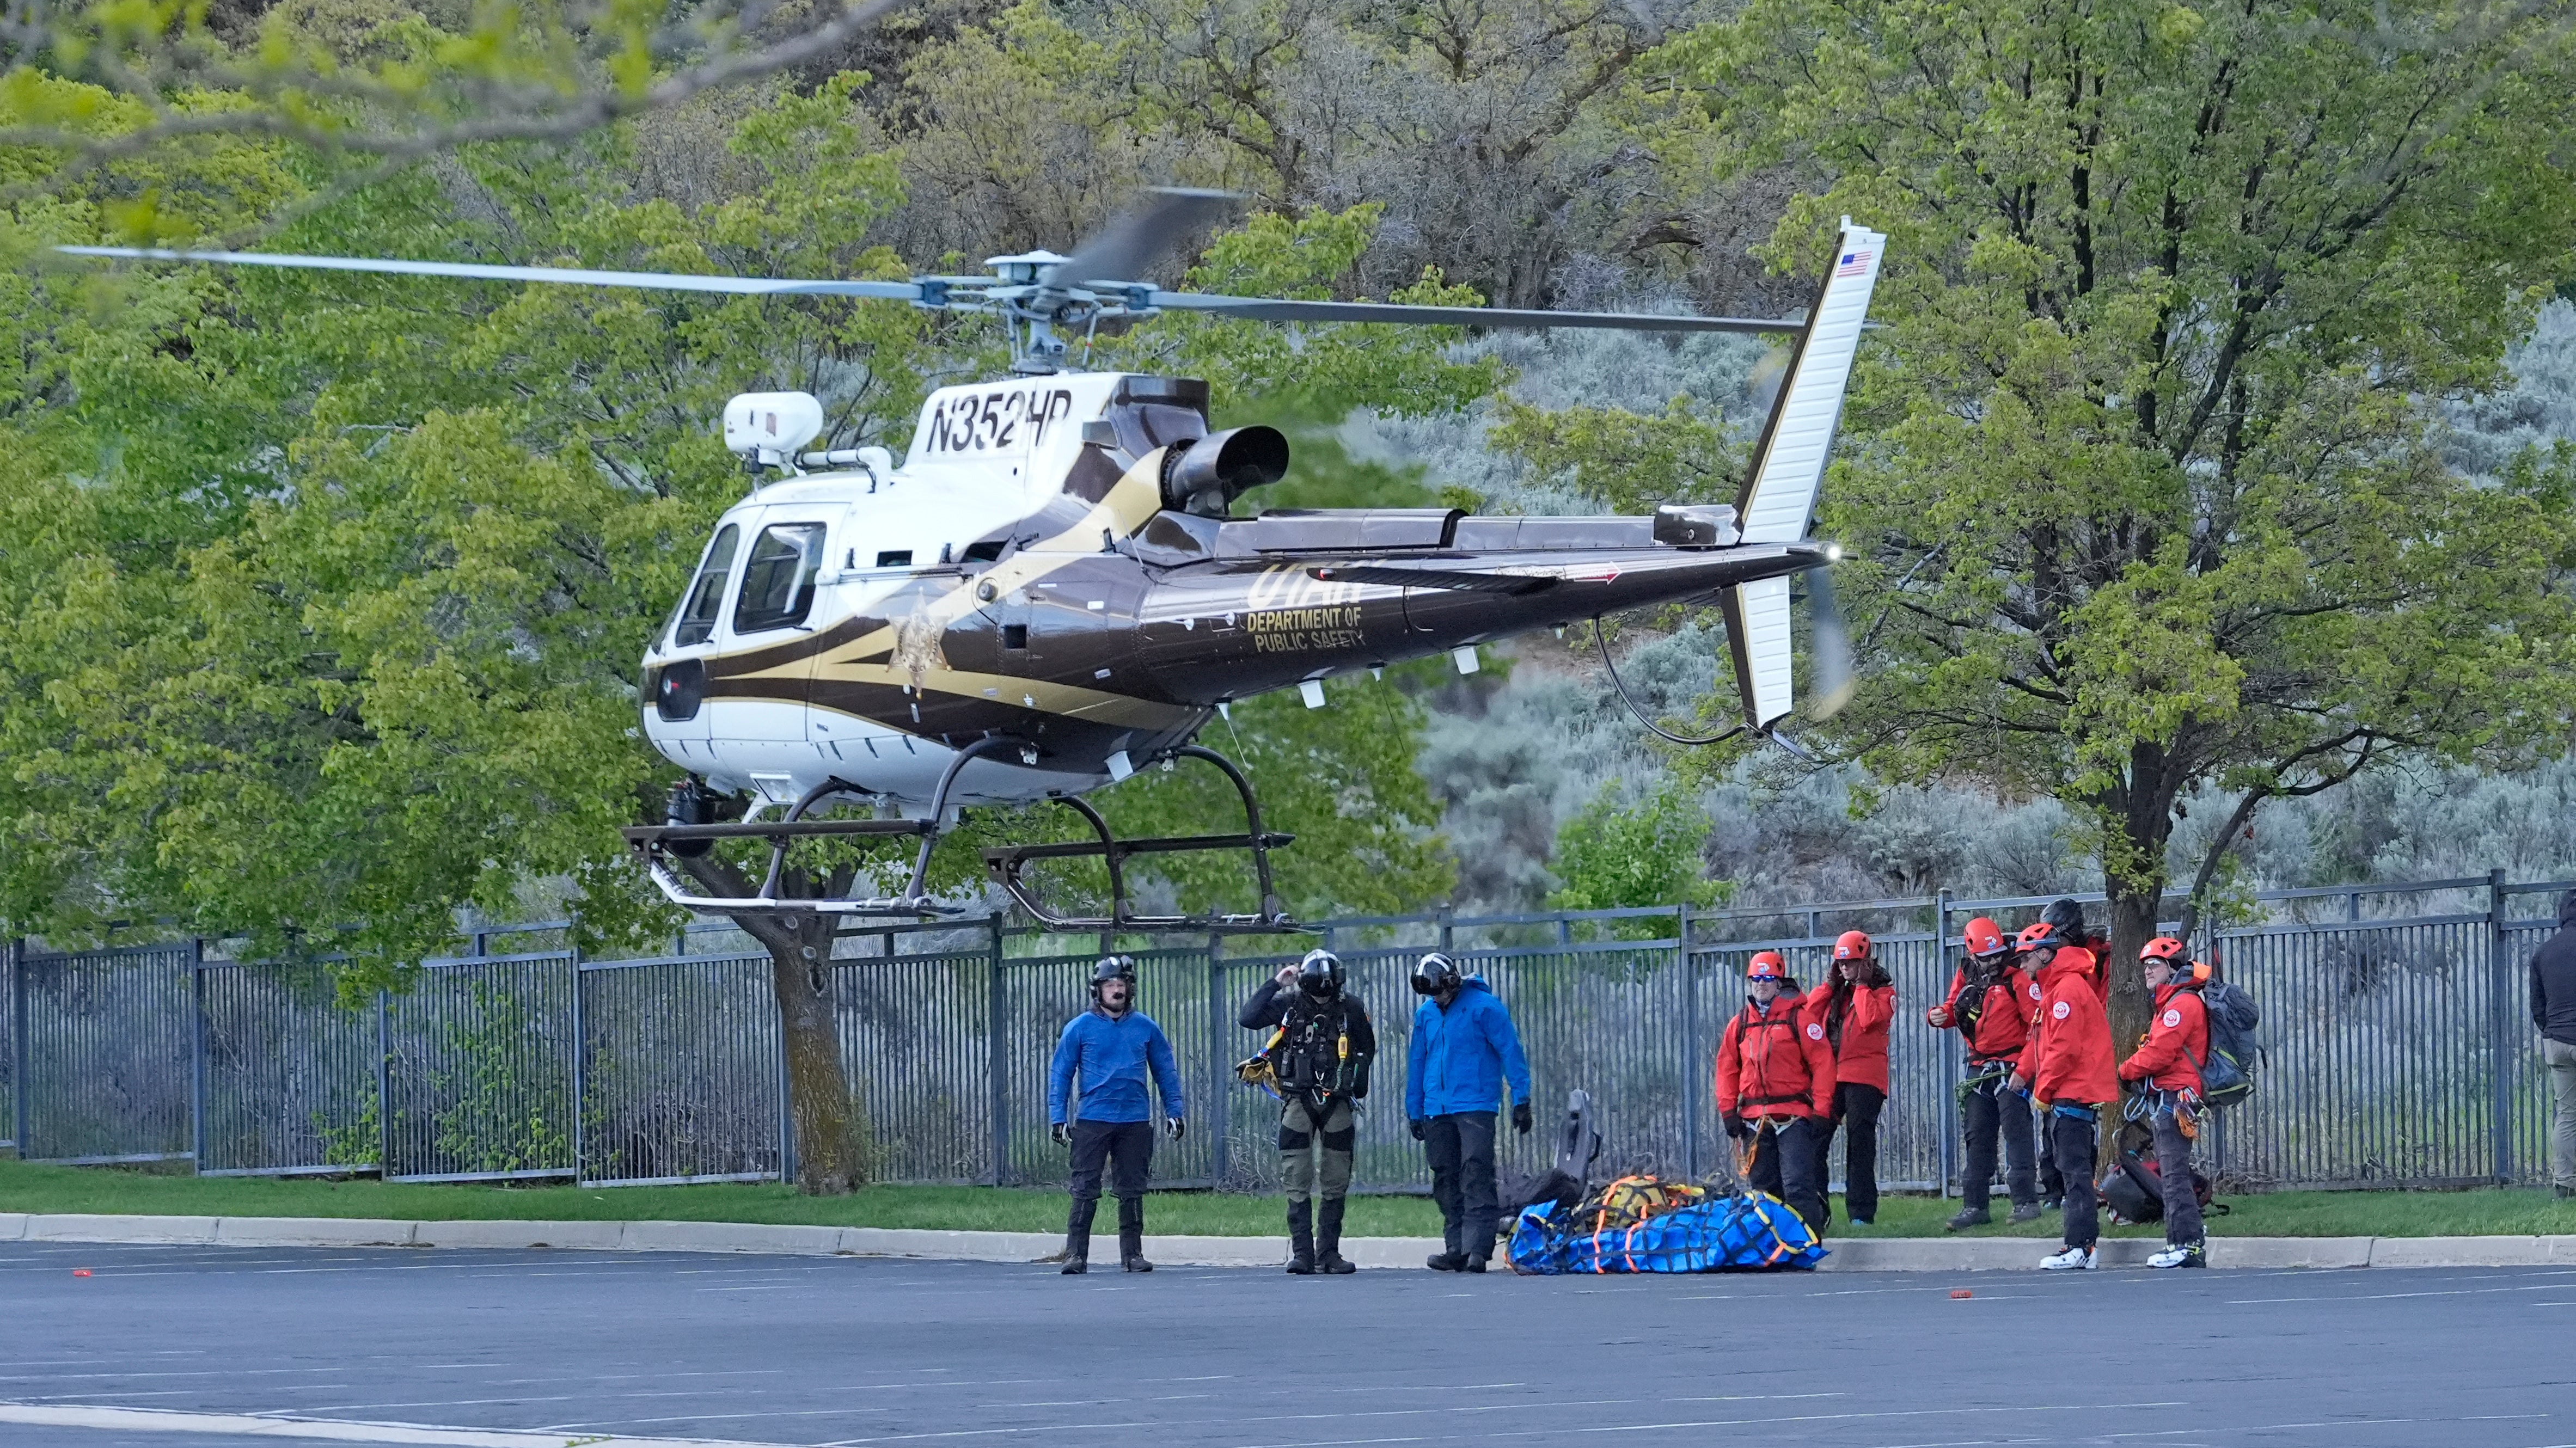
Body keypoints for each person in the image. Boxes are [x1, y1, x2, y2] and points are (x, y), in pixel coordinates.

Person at [1240, 947, 1377, 1274]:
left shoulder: (1351, 1008)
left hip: (1337, 1101)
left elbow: (1367, 1048)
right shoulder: (1288, 1005)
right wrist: (1277, 983)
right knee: (1296, 1175)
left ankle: (1328, 1254)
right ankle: (1303, 1254)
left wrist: (1354, 1077)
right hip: (1297, 1099)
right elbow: (1248, 1018)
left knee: (1336, 1177)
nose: (1324, 996)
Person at [1048, 955, 1186, 1275]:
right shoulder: (1079, 1028)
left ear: (1130, 988)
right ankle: (1075, 1255)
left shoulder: (1146, 1027)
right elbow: (1061, 1074)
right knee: (1084, 1187)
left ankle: (1133, 1255)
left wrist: (1175, 1111)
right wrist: (1058, 1117)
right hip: (1093, 1120)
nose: (1116, 990)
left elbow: (1165, 1071)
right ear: (1097, 990)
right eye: (1109, 984)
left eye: (1121, 984)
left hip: (1134, 1120)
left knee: (1132, 1189)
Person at [1405, 952, 1534, 1272]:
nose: (1436, 998)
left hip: (1475, 1103)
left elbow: (1510, 1050)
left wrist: (1521, 1099)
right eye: (1430, 994)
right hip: (1436, 1107)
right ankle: (1455, 1247)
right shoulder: (1426, 1014)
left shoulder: (1484, 1007)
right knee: (1445, 1176)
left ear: (1452, 982)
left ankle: (1477, 1248)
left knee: (1475, 1172)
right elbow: (1418, 1062)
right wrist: (1414, 1110)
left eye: (1439, 992)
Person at [1925, 916, 2044, 1229]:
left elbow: (2037, 1028)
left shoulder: (2017, 977)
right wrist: (1939, 1015)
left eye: (1997, 955)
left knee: (2017, 1134)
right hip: (1979, 1068)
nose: (1993, 962)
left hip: (2011, 1067)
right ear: (1972, 954)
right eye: (1986, 957)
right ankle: (1974, 1206)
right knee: (1977, 1136)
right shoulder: (1967, 973)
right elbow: (1957, 1006)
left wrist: (2024, 1070)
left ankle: (2026, 1202)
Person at [2010, 921, 2116, 1271]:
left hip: (2073, 1092)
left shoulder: (2067, 989)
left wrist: (2042, 1090)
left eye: (2026, 958)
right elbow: (2042, 1043)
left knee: (2075, 1173)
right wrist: (2027, 1075)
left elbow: (2064, 1049)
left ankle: (2080, 1246)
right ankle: (2081, 1246)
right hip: (2069, 1091)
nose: (2022, 965)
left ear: (2044, 954)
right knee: (2072, 1170)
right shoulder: (2058, 988)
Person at [1714, 951, 1834, 1235]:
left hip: (1794, 1117)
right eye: (1756, 978)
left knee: (1798, 1186)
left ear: (1779, 983)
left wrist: (1822, 1111)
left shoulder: (1800, 1019)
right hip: (1754, 1120)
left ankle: (1806, 1246)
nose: (1761, 984)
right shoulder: (1740, 1023)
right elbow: (1727, 1068)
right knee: (1763, 1192)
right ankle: (1771, 1249)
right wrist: (1728, 1111)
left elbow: (1824, 1065)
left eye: (1768, 978)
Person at [2119, 936, 2210, 1268]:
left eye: (2155, 964)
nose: (2148, 970)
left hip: (2177, 1099)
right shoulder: (2172, 1002)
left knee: (2174, 1175)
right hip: (2170, 1098)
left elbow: (2160, 1053)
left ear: (2172, 968)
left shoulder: (2181, 1005)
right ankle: (2181, 1242)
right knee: (2173, 1173)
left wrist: (2125, 1070)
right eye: (2145, 965)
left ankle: (2188, 1245)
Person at [1804, 930, 1896, 1227]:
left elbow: (1870, 1019)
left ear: (1866, 962)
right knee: (1814, 1139)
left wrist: (1862, 985)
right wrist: (1829, 986)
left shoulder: (1884, 993)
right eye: (1841, 963)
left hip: (1865, 1078)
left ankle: (1861, 1213)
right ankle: (1816, 1210)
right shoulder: (1837, 994)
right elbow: (1807, 1016)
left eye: (1852, 962)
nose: (1845, 967)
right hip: (1832, 1077)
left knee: (1860, 1143)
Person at [2532, 890, 2576, 1200]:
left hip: (2557, 1041)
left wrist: (2553, 1031)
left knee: (2567, 1113)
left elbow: (2537, 1006)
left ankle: (2566, 1184)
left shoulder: (2543, 953)